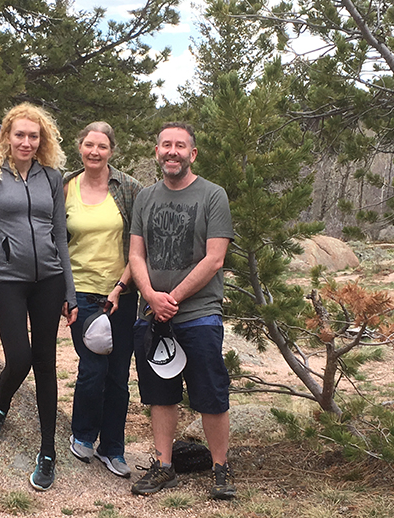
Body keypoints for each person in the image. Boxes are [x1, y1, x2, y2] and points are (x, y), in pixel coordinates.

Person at [0, 103, 78, 491]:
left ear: (42, 139)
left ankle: (47, 451)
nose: (27, 142)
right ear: (7, 137)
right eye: (20, 135)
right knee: (19, 358)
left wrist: (69, 290)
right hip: (6, 280)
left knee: (45, 362)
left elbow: (59, 235)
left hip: (48, 280)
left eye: (34, 136)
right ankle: (1, 406)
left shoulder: (52, 178)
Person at [128, 122, 236, 499]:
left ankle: (221, 469)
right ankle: (164, 465)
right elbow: (136, 254)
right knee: (160, 394)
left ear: (192, 154)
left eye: (180, 146)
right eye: (165, 145)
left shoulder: (213, 195)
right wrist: (152, 297)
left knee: (210, 392)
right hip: (153, 314)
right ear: (157, 152)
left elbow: (215, 259)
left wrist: (170, 297)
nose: (171, 152)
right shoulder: (145, 198)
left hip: (199, 313)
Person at [62, 122, 142, 478]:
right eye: (89, 145)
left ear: (112, 150)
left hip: (121, 292)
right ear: (80, 147)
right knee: (93, 369)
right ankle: (82, 435)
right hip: (80, 290)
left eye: (102, 146)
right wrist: (63, 292)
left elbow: (141, 245)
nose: (95, 152)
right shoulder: (64, 186)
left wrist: (122, 287)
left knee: (118, 375)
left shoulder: (129, 189)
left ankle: (113, 448)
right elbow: (55, 242)